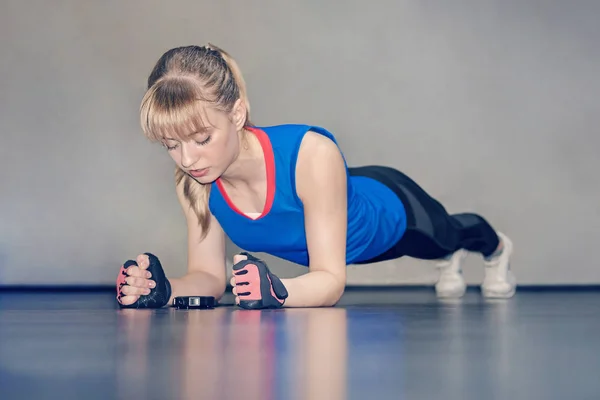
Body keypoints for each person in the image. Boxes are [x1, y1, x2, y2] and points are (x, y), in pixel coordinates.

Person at [116, 44, 516, 310]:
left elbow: (329, 279)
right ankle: (450, 258)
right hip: (339, 202)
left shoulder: (311, 153)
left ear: (237, 114)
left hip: (391, 214)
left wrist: (278, 290)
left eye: (202, 138)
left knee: (448, 236)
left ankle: (497, 249)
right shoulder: (196, 186)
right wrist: (164, 290)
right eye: (171, 145)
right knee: (443, 246)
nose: (187, 158)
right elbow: (209, 277)